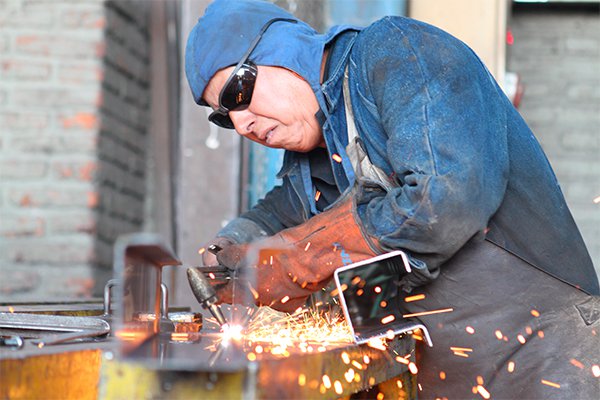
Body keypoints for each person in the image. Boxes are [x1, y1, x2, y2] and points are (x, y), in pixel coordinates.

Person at [185, 0, 599, 398]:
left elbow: (445, 198)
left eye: (238, 91)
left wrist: (303, 257)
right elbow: (279, 212)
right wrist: (230, 250)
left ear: (284, 49)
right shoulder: (315, 151)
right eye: (224, 116)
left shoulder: (396, 50)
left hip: (546, 361)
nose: (241, 123)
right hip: (447, 375)